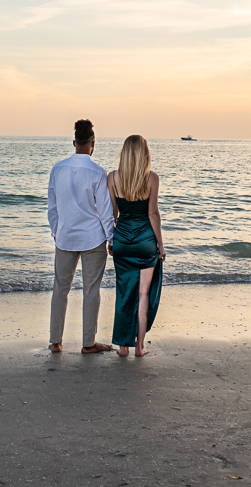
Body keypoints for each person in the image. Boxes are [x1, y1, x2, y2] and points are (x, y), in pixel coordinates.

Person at [47, 119, 116, 354]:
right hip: (92, 238)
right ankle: (88, 343)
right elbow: (106, 211)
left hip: (65, 237)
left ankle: (55, 341)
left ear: (74, 142)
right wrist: (112, 239)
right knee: (91, 290)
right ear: (92, 144)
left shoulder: (57, 169)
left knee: (60, 289)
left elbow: (53, 208)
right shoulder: (98, 172)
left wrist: (57, 233)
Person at [108, 135, 164, 357]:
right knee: (143, 295)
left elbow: (113, 214)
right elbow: (152, 213)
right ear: (144, 154)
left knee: (123, 293)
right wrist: (160, 244)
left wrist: (112, 240)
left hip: (122, 239)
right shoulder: (152, 178)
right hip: (145, 242)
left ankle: (123, 347)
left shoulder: (112, 178)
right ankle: (139, 348)